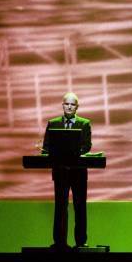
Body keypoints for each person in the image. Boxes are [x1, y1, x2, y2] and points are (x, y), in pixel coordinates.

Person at [42, 92, 92, 250]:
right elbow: (46, 147)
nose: (69, 107)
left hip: (79, 173)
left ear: (77, 107)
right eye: (67, 104)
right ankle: (59, 242)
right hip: (61, 173)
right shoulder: (53, 123)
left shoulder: (85, 123)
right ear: (62, 105)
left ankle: (81, 242)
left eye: (73, 104)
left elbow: (87, 146)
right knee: (60, 207)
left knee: (80, 207)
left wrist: (72, 153)